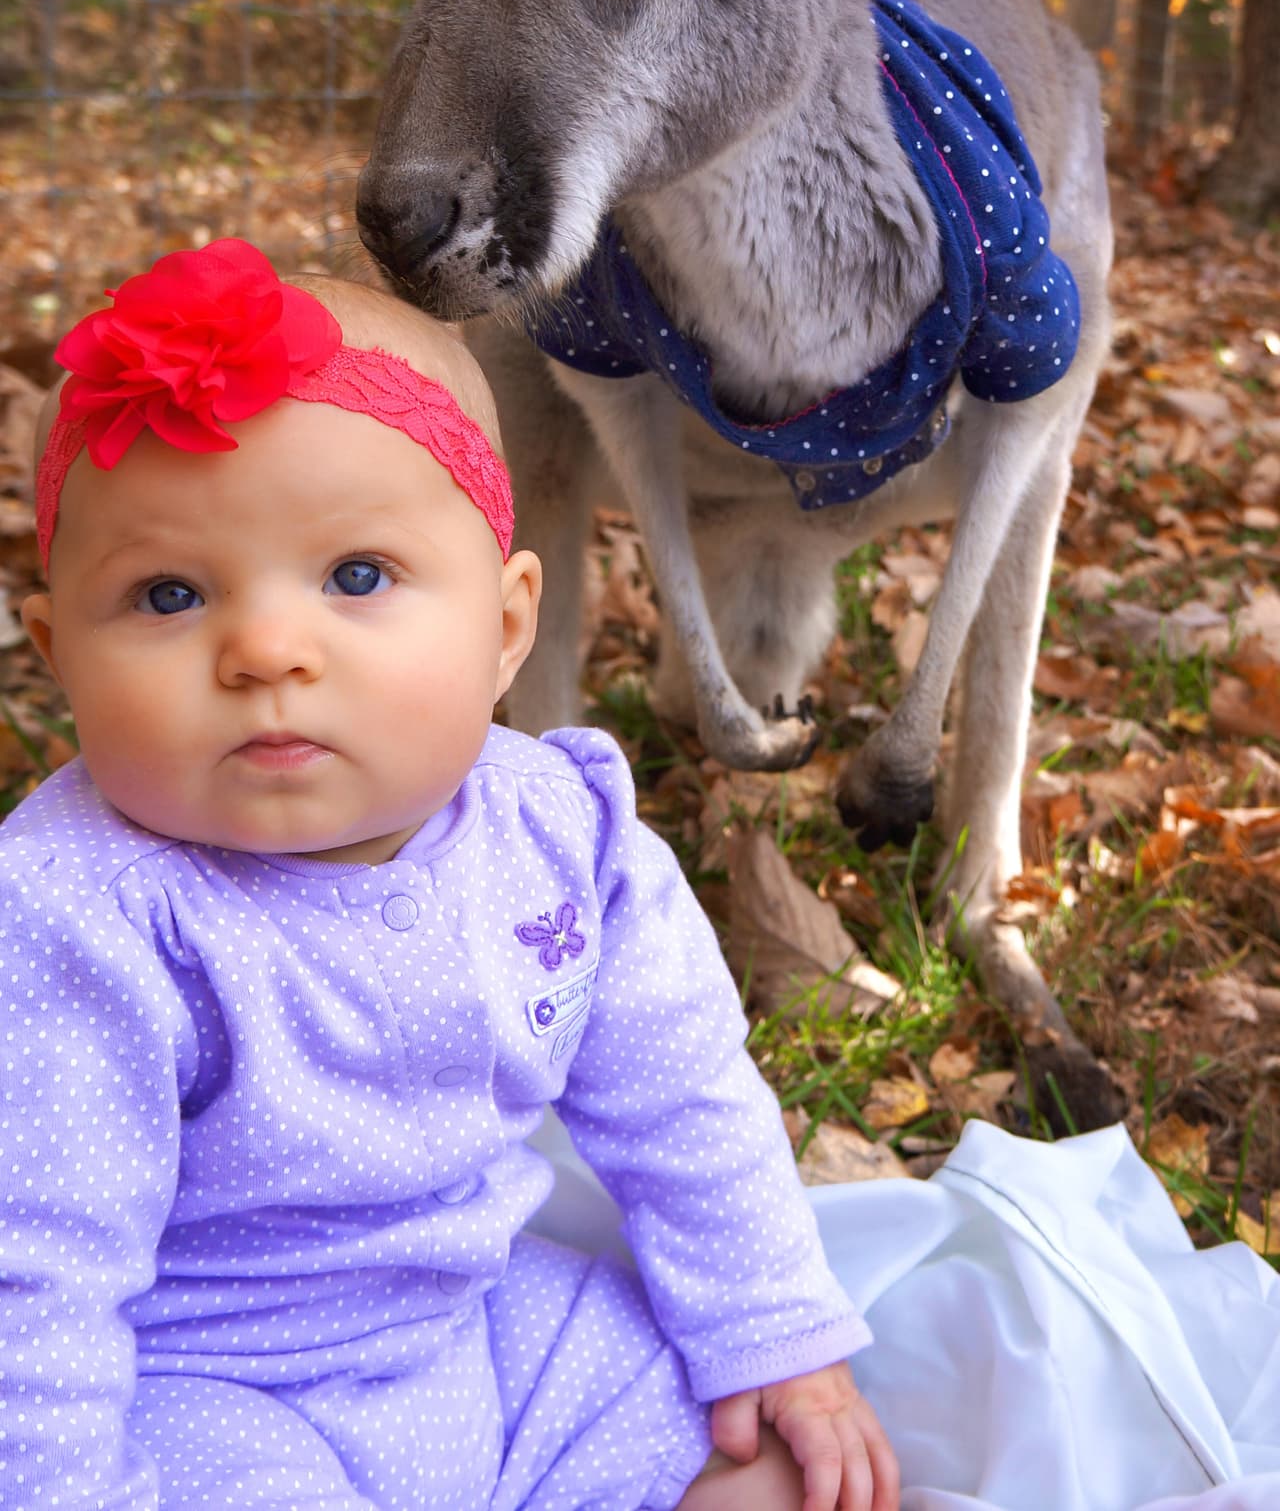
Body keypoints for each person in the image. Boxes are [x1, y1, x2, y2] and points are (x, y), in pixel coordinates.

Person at [0, 239, 898, 1511]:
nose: (265, 648)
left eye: (356, 576)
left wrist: (773, 1329)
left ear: (504, 625)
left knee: (758, 1456)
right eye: (166, 593)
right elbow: (31, 1282)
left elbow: (681, 1095)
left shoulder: (556, 830)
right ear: (58, 651)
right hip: (207, 1381)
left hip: (478, 1324)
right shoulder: (79, 916)